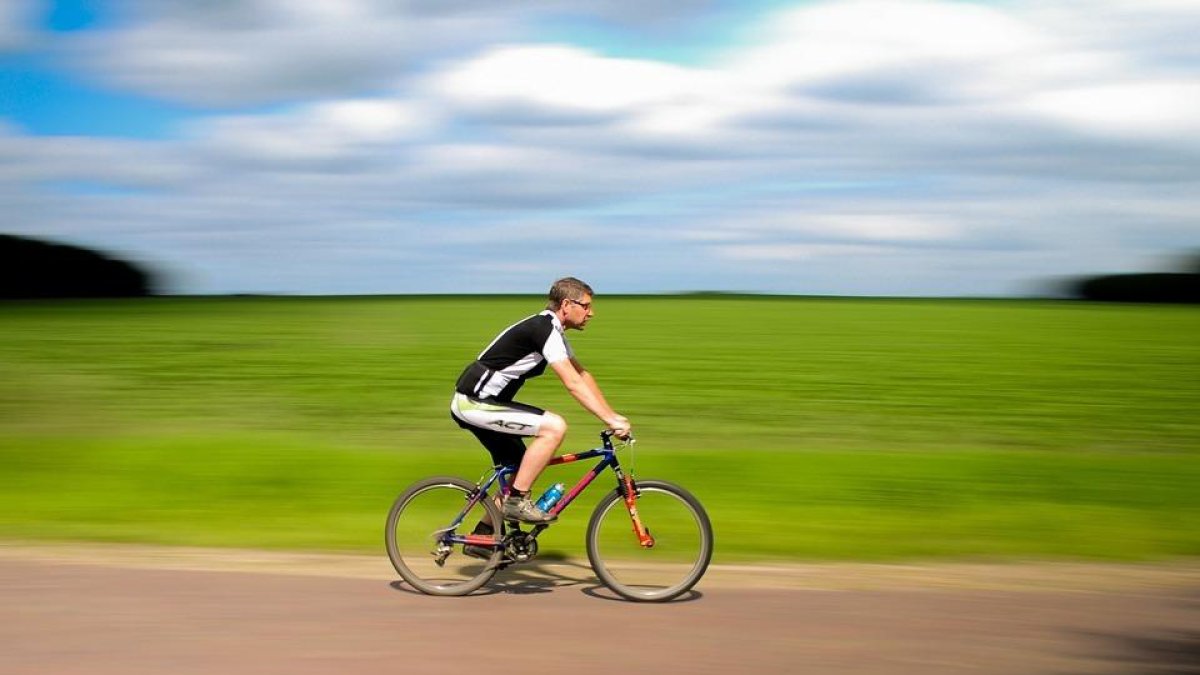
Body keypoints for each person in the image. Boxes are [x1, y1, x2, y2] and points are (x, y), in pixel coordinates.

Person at [450, 277, 631, 529]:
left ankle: (484, 536)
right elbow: (572, 383)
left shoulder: (552, 330)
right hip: (473, 403)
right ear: (567, 305)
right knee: (554, 427)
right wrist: (609, 420)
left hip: (484, 404)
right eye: (586, 306)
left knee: (521, 471)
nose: (591, 313)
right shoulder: (544, 330)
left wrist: (613, 414)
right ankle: (517, 502)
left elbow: (582, 376)